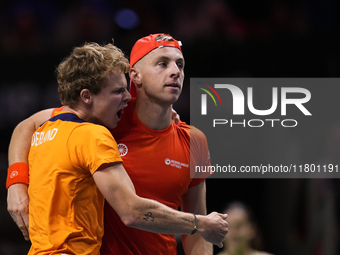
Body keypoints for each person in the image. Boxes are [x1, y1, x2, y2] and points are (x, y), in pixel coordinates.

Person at [7, 34, 220, 254]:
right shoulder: (102, 117)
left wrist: (200, 225)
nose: (175, 71)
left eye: (180, 64)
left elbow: (199, 224)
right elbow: (27, 126)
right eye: (162, 63)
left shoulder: (195, 141)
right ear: (135, 75)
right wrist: (16, 184)